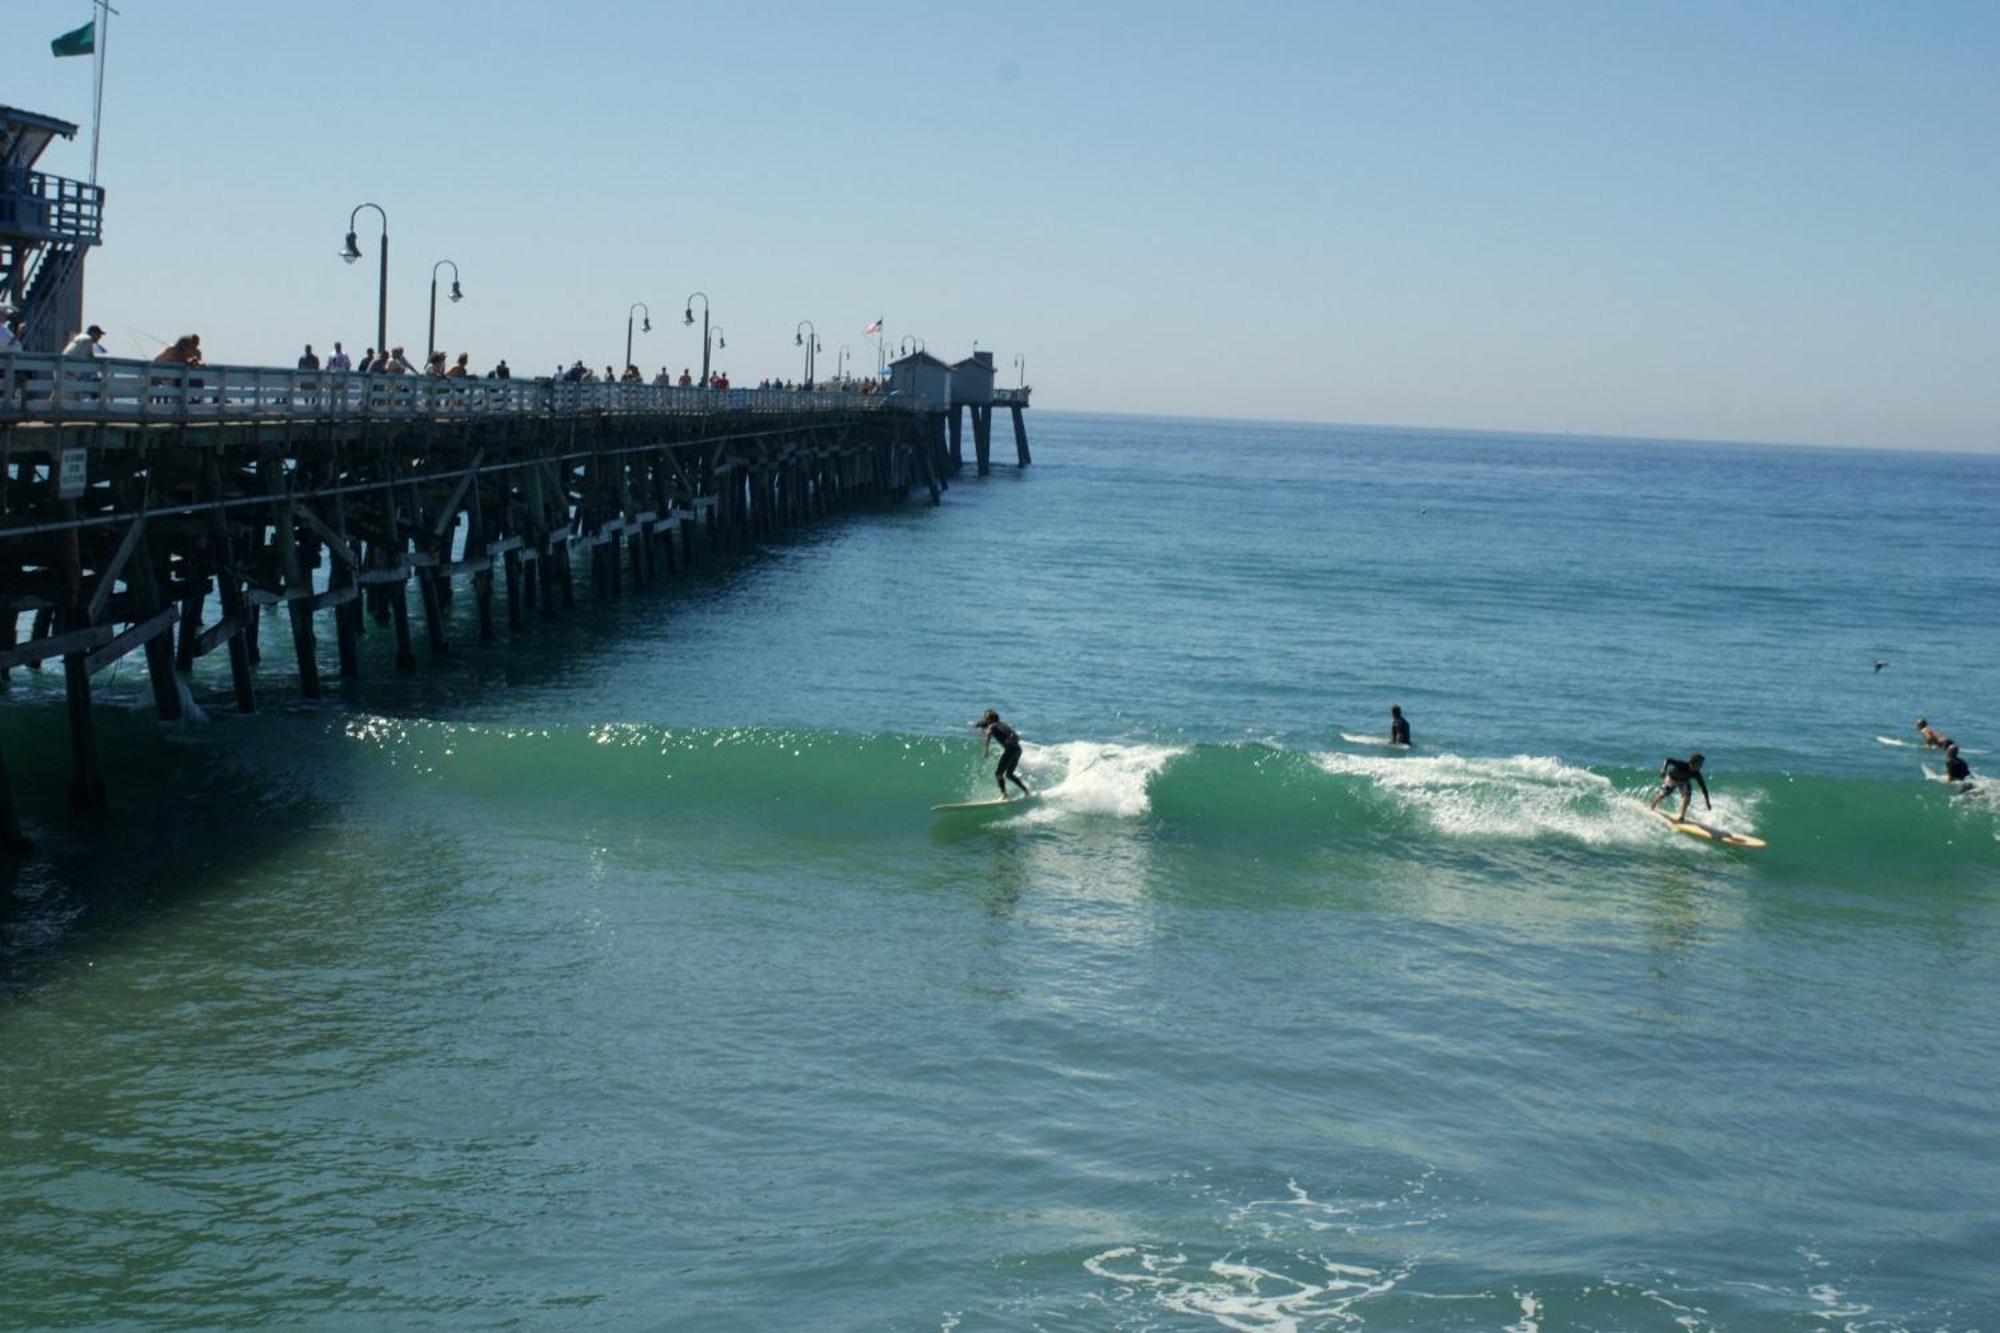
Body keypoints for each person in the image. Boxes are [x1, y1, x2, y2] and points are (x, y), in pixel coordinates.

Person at [975, 709, 1032, 800]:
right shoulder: (1004, 725)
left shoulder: (992, 726)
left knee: (998, 773)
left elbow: (988, 736)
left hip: (1010, 750)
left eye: (985, 718)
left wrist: (986, 750)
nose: (984, 720)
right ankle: (1026, 791)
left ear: (990, 719)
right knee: (1009, 774)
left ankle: (1004, 795)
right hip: (1018, 749)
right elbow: (1017, 737)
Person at [1649, 752, 1711, 821]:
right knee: (1665, 793)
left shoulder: (1696, 773)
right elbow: (1668, 760)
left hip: (1683, 781)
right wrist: (1663, 769)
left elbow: (1703, 787)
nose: (1701, 766)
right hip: (1672, 778)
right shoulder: (1683, 764)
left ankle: (1681, 816)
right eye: (1700, 764)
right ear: (1694, 763)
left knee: (1687, 795)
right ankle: (1653, 804)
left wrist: (1707, 801)